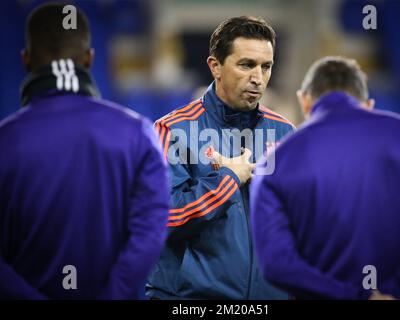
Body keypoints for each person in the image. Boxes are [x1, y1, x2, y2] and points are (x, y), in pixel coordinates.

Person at [0, 3, 170, 299]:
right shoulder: (139, 134)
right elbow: (150, 232)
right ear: (90, 59)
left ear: (26, 61)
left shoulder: (5, 141)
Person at [250, 56, 400, 300]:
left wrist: (357, 297)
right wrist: (399, 291)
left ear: (304, 101)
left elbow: (278, 264)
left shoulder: (274, 163)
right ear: (369, 104)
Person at [148, 16, 294, 299]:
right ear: (215, 66)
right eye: (246, 65)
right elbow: (164, 217)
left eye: (266, 67)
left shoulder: (284, 132)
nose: (258, 78)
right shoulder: (173, 130)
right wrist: (228, 181)